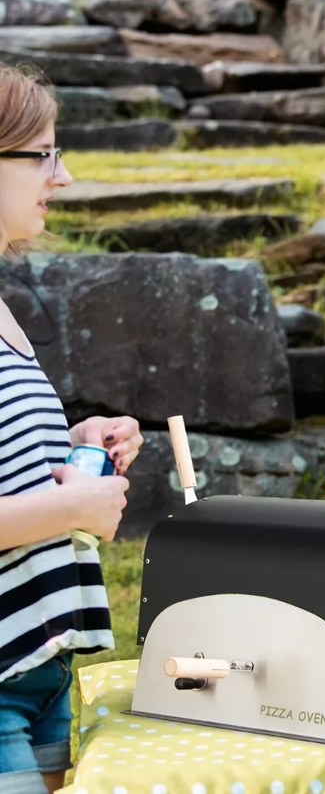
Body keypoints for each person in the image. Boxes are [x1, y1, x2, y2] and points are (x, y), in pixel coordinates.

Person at [0, 66, 143, 794]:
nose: (63, 175)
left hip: (40, 663)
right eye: (45, 154)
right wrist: (70, 508)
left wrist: (77, 445)